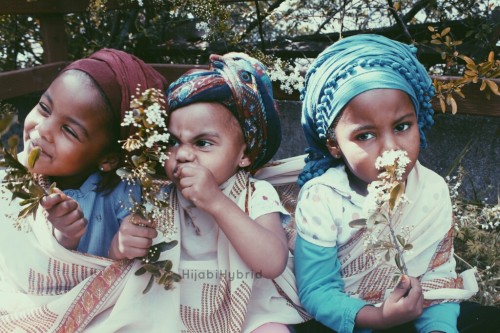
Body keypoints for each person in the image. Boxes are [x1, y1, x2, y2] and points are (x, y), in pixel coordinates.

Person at [293, 34, 496, 333]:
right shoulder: (323, 198)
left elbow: (438, 276)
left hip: (418, 313)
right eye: (365, 135)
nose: (390, 149)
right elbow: (317, 290)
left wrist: (438, 329)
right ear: (334, 145)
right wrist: (378, 318)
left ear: (418, 121)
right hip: (349, 318)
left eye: (402, 126)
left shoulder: (432, 189)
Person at [109, 52, 326, 333]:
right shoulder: (158, 197)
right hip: (175, 304)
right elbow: (120, 261)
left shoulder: (255, 193)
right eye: (173, 142)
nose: (183, 154)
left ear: (244, 154)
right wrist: (121, 245)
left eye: (202, 143)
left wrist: (216, 202)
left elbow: (272, 262)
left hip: (250, 304)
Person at [21, 48, 167, 257]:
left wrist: (118, 249)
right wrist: (64, 235)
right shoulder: (11, 181)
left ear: (108, 160)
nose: (43, 129)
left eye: (69, 130)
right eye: (44, 107)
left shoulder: (124, 197)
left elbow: (116, 271)